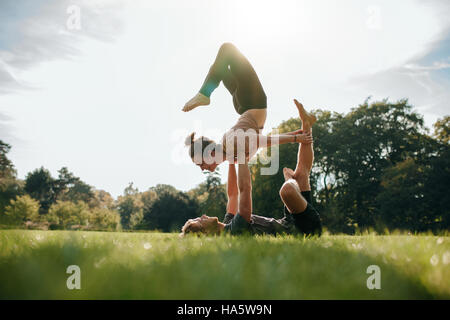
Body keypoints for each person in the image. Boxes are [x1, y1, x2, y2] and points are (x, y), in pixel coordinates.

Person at [180, 100, 322, 237]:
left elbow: (233, 194)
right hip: (302, 230)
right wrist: (240, 154)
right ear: (205, 233)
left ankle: (306, 123)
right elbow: (245, 189)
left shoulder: (229, 223)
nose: (203, 216)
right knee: (287, 190)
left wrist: (231, 158)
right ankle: (291, 179)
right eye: (199, 220)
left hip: (291, 221)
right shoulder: (235, 231)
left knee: (302, 173)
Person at [183, 42, 312, 172]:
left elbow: (261, 141)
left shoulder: (230, 145)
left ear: (209, 153)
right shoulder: (231, 154)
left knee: (227, 50)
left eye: (201, 165)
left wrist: (295, 138)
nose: (202, 169)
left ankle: (204, 94)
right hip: (244, 105)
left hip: (251, 101)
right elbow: (259, 142)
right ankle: (204, 93)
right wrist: (294, 134)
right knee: (221, 65)